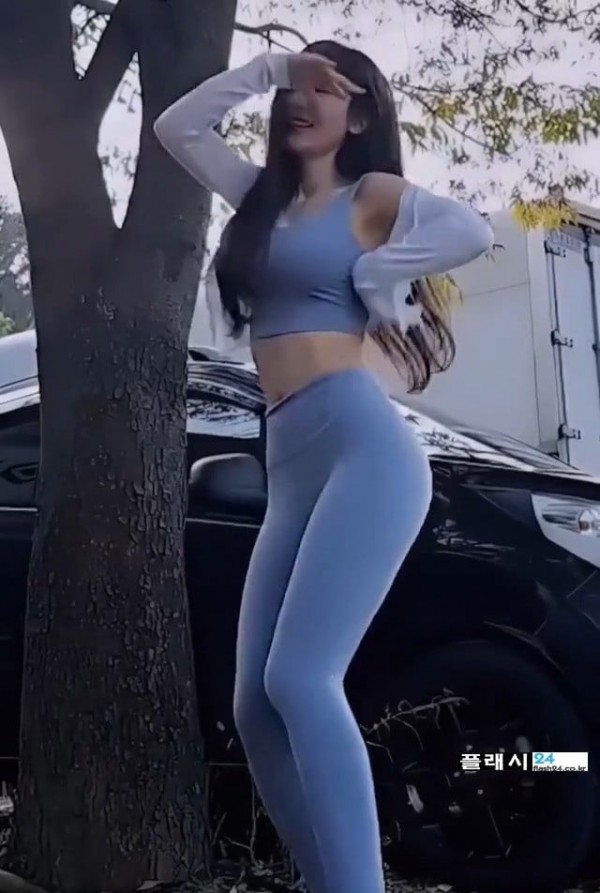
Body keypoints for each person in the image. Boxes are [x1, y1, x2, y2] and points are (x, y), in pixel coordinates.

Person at [154, 41, 493, 893]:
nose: (300, 102)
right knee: (255, 705)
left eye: (324, 89)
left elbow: (472, 229)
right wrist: (268, 70)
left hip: (361, 447)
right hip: (290, 459)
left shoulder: (367, 196)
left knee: (302, 678)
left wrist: (380, 270)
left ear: (361, 112)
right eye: (291, 92)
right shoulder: (257, 202)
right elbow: (176, 128)